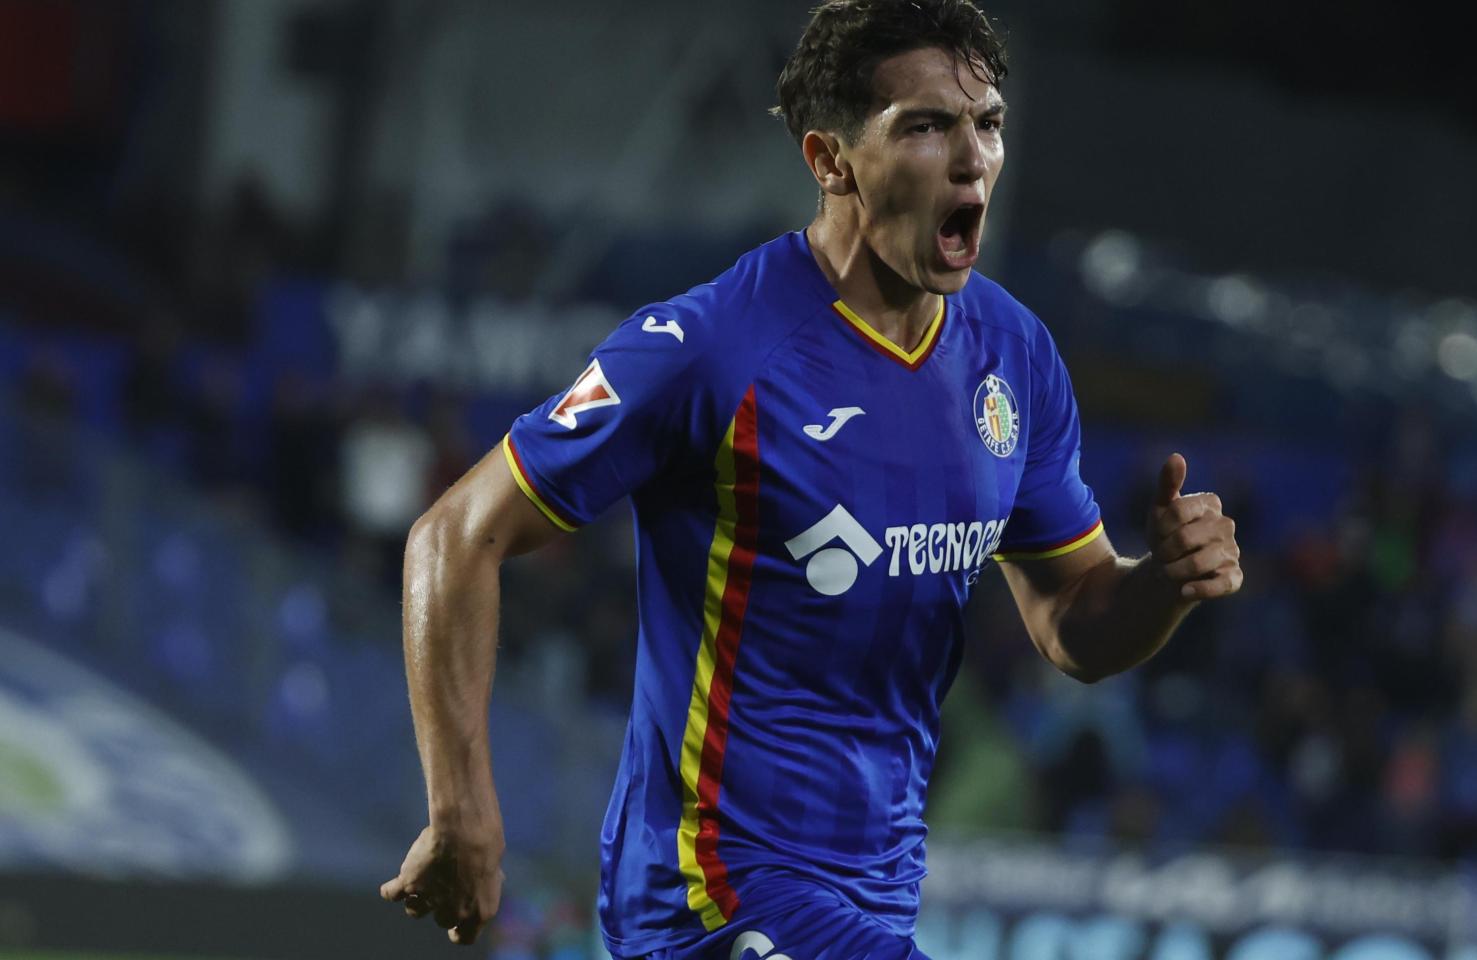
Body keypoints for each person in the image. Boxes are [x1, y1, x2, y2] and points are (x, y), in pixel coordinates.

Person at [380, 0, 1244, 955]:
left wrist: (1161, 584)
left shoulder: (1015, 358)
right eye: (924, 126)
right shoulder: (710, 349)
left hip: (877, 889)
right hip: (711, 892)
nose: (971, 160)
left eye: (986, 124)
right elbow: (457, 535)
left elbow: (1071, 622)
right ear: (830, 162)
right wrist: (461, 808)